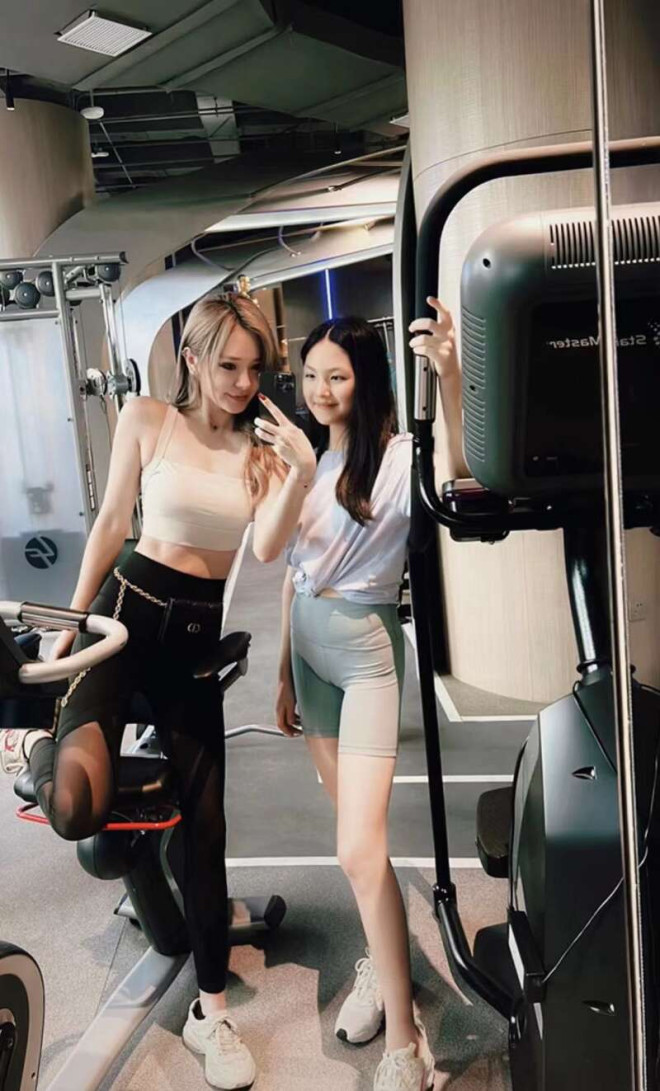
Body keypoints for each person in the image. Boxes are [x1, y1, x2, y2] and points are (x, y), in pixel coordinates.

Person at [0, 291, 312, 1091]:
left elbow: (269, 550)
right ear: (194, 359)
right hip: (123, 620)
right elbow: (112, 525)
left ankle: (213, 1009)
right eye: (228, 365)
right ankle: (37, 744)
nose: (242, 383)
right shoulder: (147, 417)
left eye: (254, 368)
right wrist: (70, 624)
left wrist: (303, 469)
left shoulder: (263, 451)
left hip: (194, 649)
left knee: (206, 828)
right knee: (76, 808)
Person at [252, 296, 465, 1091]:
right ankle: (382, 960)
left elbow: (462, 475)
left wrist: (449, 377)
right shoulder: (303, 458)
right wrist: (282, 671)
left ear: (366, 379)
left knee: (356, 846)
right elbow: (279, 561)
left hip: (367, 656)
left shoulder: (402, 457)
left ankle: (406, 1046)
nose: (319, 389)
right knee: (361, 847)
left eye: (336, 376)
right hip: (309, 655)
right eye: (310, 374)